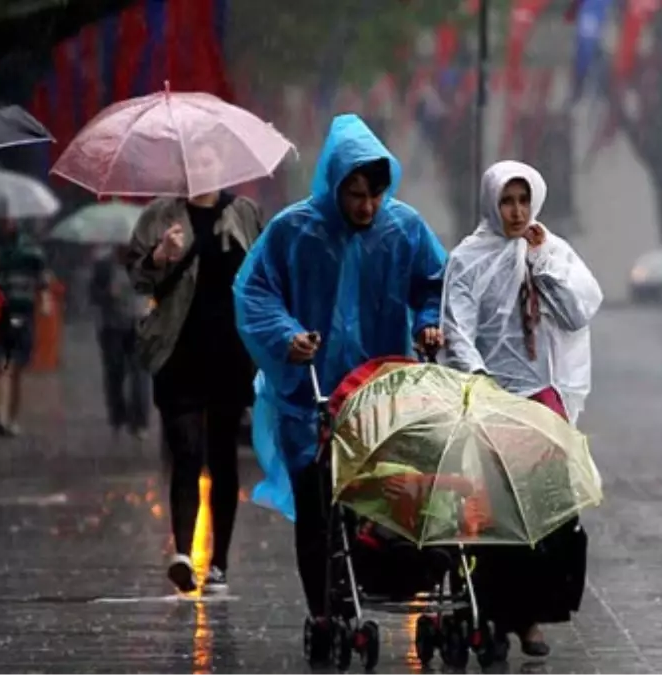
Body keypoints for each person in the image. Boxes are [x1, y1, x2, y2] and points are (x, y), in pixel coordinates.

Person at [233, 113, 446, 663]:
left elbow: (436, 283)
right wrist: (286, 336)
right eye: (354, 195)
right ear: (334, 185)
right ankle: (327, 609)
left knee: (384, 500)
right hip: (312, 397)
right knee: (317, 505)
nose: (366, 208)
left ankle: (374, 585)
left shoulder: (404, 229)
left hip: (381, 394)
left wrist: (428, 320)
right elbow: (255, 291)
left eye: (374, 196)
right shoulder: (294, 230)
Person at [440, 160, 602, 656]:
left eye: (523, 201)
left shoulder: (548, 250)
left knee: (549, 516)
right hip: (490, 401)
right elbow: (457, 328)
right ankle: (498, 612)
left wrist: (542, 263)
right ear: (493, 202)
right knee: (497, 517)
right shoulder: (468, 259)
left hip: (541, 398)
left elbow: (576, 312)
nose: (515, 212)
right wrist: (479, 381)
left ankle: (534, 616)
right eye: (507, 201)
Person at [126, 143, 264, 595]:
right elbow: (136, 276)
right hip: (177, 351)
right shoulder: (159, 216)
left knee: (223, 457)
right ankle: (184, 552)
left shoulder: (244, 213)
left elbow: (266, 272)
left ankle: (219, 561)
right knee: (185, 450)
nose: (199, 170)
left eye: (208, 161)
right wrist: (159, 257)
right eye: (191, 163)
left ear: (221, 166)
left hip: (229, 353)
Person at [0, 218, 52, 437]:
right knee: (1, 367)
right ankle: (1, 418)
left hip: (24, 314)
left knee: (16, 370)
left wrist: (44, 301)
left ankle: (11, 417)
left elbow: (42, 281)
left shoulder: (32, 250)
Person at [90, 244, 150, 440]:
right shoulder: (104, 264)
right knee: (115, 373)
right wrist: (106, 293)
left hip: (140, 324)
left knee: (140, 375)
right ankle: (117, 416)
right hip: (112, 327)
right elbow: (93, 294)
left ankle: (140, 421)